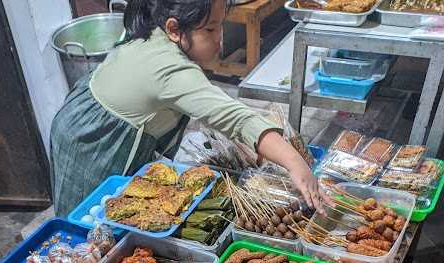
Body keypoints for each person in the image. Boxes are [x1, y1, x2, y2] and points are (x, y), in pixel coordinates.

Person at [50, 0, 324, 217]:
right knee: (89, 214)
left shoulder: (158, 36)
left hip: (82, 113)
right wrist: (295, 162)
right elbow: (235, 118)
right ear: (173, 28)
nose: (220, 39)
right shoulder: (169, 70)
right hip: (92, 137)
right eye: (209, 30)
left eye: (220, 26)